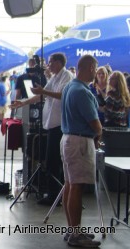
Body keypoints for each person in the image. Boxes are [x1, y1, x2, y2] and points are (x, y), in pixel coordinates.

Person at [11, 52, 72, 206]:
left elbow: (63, 95)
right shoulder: (54, 77)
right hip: (51, 124)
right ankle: (52, 193)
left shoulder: (66, 76)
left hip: (60, 125)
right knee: (50, 160)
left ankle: (55, 195)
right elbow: (41, 95)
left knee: (55, 161)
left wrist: (43, 92)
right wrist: (23, 103)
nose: (48, 65)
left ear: (58, 63)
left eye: (51, 62)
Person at [60, 54, 102, 247]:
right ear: (91, 68)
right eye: (95, 68)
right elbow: (94, 123)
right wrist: (99, 133)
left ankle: (72, 230)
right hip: (80, 142)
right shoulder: (83, 92)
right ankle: (76, 235)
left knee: (70, 185)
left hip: (68, 139)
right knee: (76, 187)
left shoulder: (70, 87)